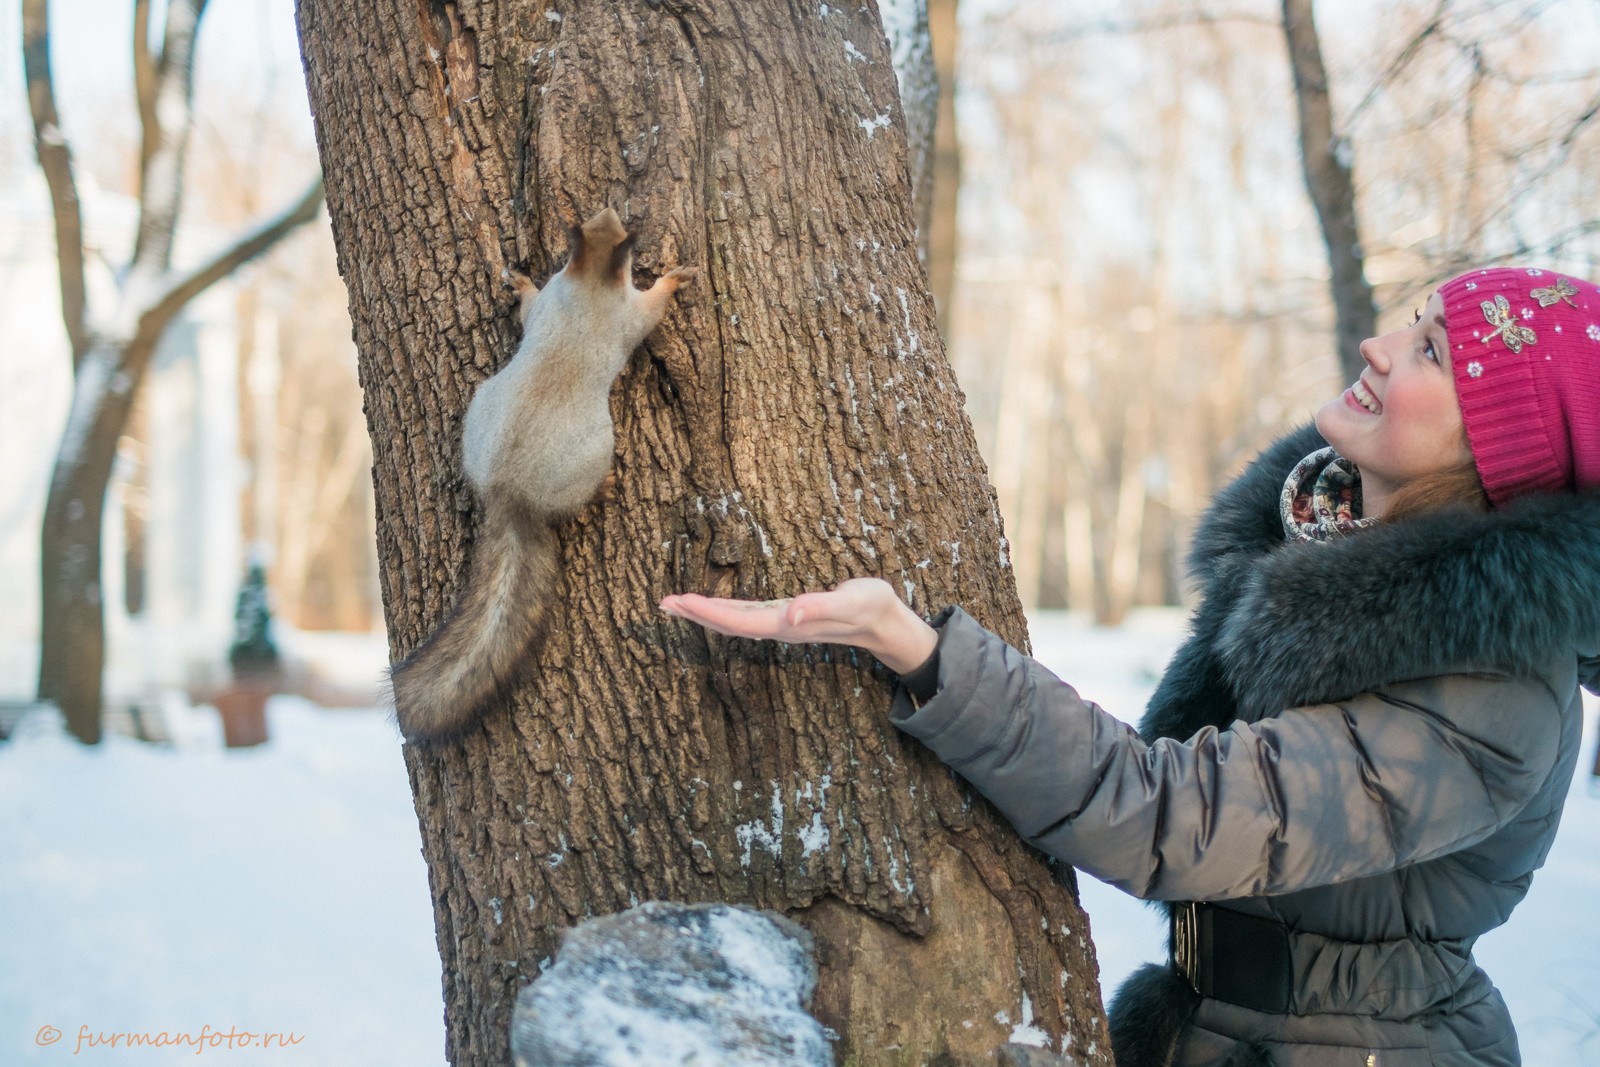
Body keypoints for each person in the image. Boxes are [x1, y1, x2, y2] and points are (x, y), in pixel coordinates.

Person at [660, 266, 1600, 1067]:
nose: (1378, 346)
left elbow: (1171, 812)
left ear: (1499, 450)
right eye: (1413, 321)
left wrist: (920, 650)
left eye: (1430, 351)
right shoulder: (1317, 576)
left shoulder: (1497, 689)